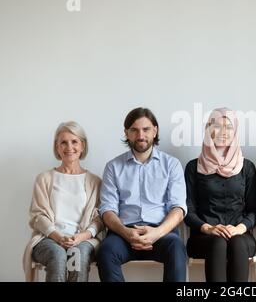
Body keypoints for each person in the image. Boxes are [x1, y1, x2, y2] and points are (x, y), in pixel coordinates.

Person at [96, 107, 187, 282]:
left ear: (155, 130)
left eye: (146, 129)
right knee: (106, 251)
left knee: (176, 247)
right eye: (134, 130)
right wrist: (126, 232)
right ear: (126, 133)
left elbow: (178, 208)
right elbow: (107, 210)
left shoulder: (172, 165)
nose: (140, 135)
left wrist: (157, 232)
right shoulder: (113, 167)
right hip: (123, 234)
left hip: (161, 232)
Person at [184, 107, 256, 282]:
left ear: (236, 131)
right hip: (203, 237)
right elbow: (188, 210)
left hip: (241, 236)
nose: (223, 132)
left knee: (237, 241)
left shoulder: (246, 167)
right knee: (217, 242)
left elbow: (254, 211)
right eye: (217, 126)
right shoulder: (193, 167)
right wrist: (208, 228)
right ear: (208, 129)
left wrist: (238, 229)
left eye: (229, 127)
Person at [23, 121, 104, 282]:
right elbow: (38, 216)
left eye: (74, 142)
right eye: (63, 142)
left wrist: (81, 237)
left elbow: (99, 219)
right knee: (58, 254)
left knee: (77, 255)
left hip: (83, 240)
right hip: (48, 239)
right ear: (57, 147)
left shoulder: (95, 181)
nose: (69, 147)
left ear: (82, 145)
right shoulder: (44, 179)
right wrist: (58, 237)